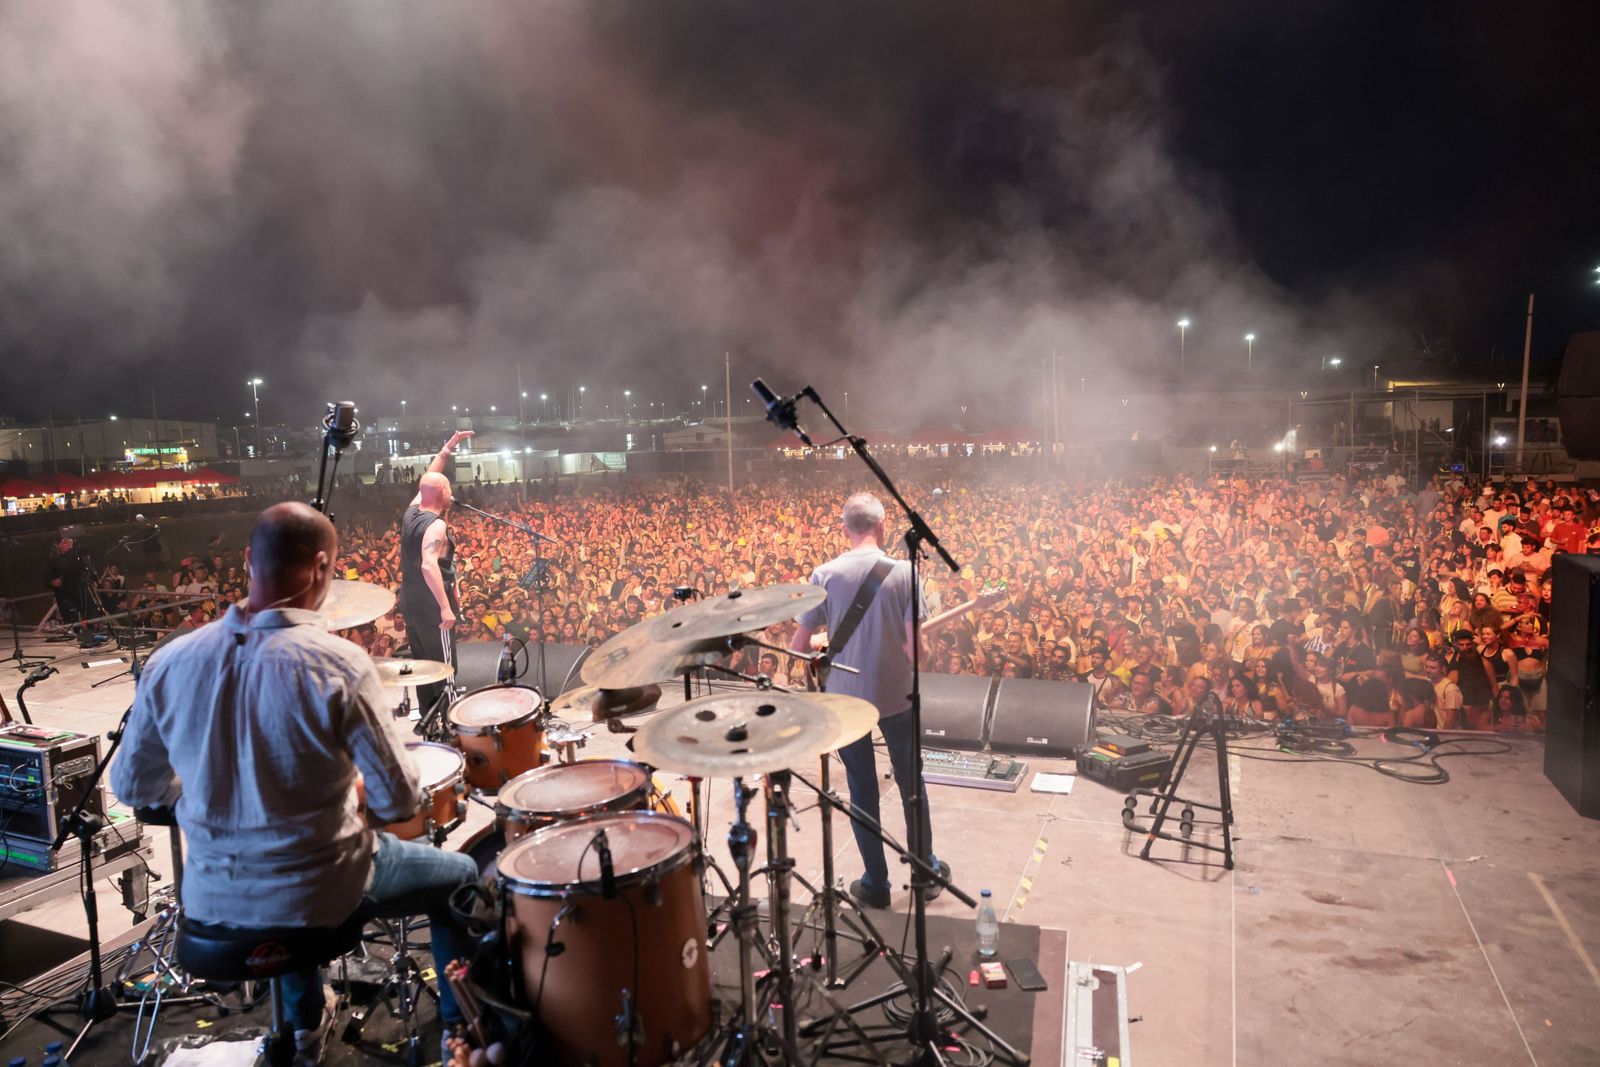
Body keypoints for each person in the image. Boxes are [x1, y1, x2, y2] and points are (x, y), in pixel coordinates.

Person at [111, 503, 477, 1066]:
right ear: (322, 567)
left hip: (212, 899)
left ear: (248, 562)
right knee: (462, 873)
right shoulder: (339, 663)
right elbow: (400, 799)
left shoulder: (170, 661)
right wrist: (346, 793)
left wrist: (220, 791)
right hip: (321, 892)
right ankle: (462, 1030)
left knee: (286, 869)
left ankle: (305, 1024)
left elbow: (134, 786)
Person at [790, 491, 948, 910]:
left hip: (846, 703)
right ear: (883, 525)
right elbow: (917, 653)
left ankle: (876, 884)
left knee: (862, 790)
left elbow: (799, 647)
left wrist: (824, 646)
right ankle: (925, 872)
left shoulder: (824, 574)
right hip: (897, 696)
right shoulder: (905, 572)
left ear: (845, 528)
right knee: (911, 783)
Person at [399, 431, 474, 715]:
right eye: (449, 487)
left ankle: (428, 720)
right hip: (433, 606)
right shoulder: (436, 525)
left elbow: (429, 479)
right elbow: (428, 564)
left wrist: (448, 448)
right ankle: (448, 720)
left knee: (424, 667)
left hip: (412, 603)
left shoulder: (411, 513)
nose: (452, 492)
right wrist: (445, 607)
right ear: (442, 491)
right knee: (444, 668)